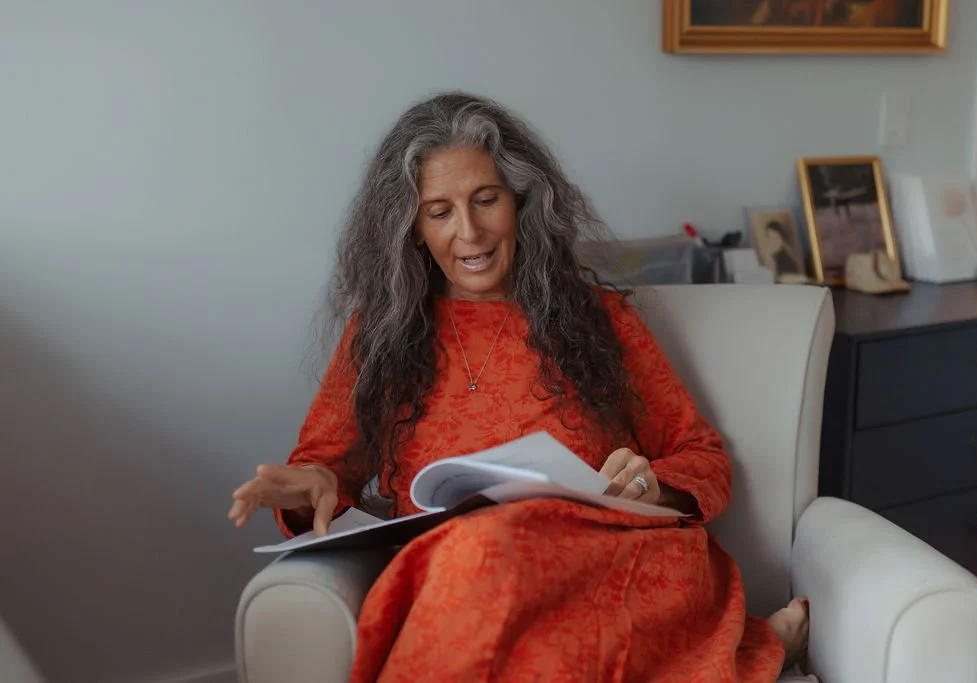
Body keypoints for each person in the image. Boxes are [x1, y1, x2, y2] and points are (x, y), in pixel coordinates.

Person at [228, 92, 809, 682]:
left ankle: (746, 648)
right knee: (479, 555)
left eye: (486, 200)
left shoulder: (599, 317)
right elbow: (323, 473)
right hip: (460, 577)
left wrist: (651, 487)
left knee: (490, 561)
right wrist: (313, 484)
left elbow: (704, 458)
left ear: (523, 202)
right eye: (440, 211)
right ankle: (754, 652)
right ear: (410, 228)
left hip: (611, 564)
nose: (470, 231)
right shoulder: (377, 334)